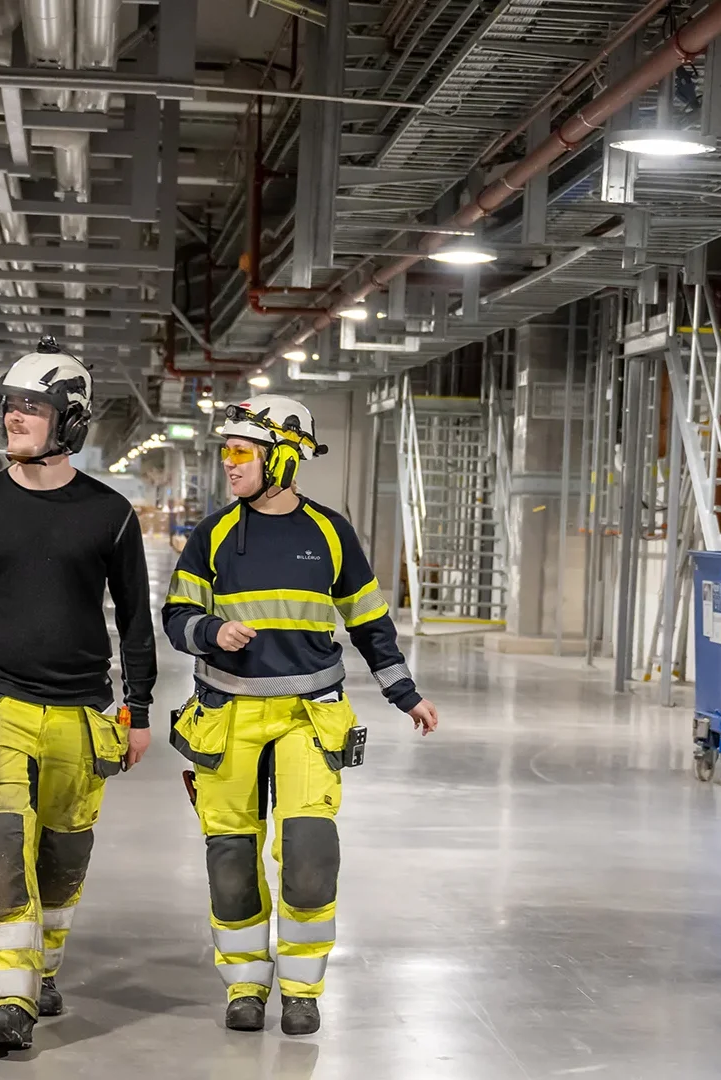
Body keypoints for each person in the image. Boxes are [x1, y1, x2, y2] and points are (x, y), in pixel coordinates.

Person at [160, 394, 439, 1037]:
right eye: (226, 451)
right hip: (227, 715)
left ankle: (302, 989)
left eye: (242, 451)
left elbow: (369, 622)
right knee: (231, 855)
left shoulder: (330, 532)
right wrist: (210, 631)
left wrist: (404, 692)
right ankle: (244, 985)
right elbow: (176, 617)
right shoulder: (213, 534)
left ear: (283, 458)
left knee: (310, 852)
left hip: (310, 716)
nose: (229, 463)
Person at [0, 339, 158, 1053]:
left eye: (32, 407)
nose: (15, 417)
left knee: (62, 854)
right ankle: (12, 996)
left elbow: (135, 621)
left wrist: (139, 711)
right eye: (10, 404)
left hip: (83, 712)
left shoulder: (110, 514)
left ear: (69, 421)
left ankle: (43, 967)